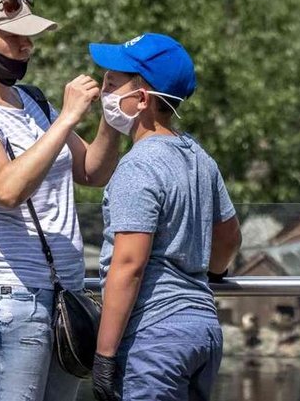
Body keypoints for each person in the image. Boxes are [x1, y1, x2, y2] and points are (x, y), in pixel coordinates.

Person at [0, 0, 121, 401]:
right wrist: (67, 119)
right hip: (8, 298)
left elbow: (92, 170)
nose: (27, 46)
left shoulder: (31, 101)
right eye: (14, 37)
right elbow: (6, 188)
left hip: (61, 297)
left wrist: (111, 116)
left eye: (29, 36)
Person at [88, 33, 242, 401]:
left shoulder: (138, 167)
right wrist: (213, 272)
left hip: (153, 337)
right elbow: (229, 236)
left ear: (141, 99)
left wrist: (104, 356)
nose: (102, 94)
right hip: (202, 330)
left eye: (111, 84)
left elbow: (129, 264)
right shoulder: (199, 158)